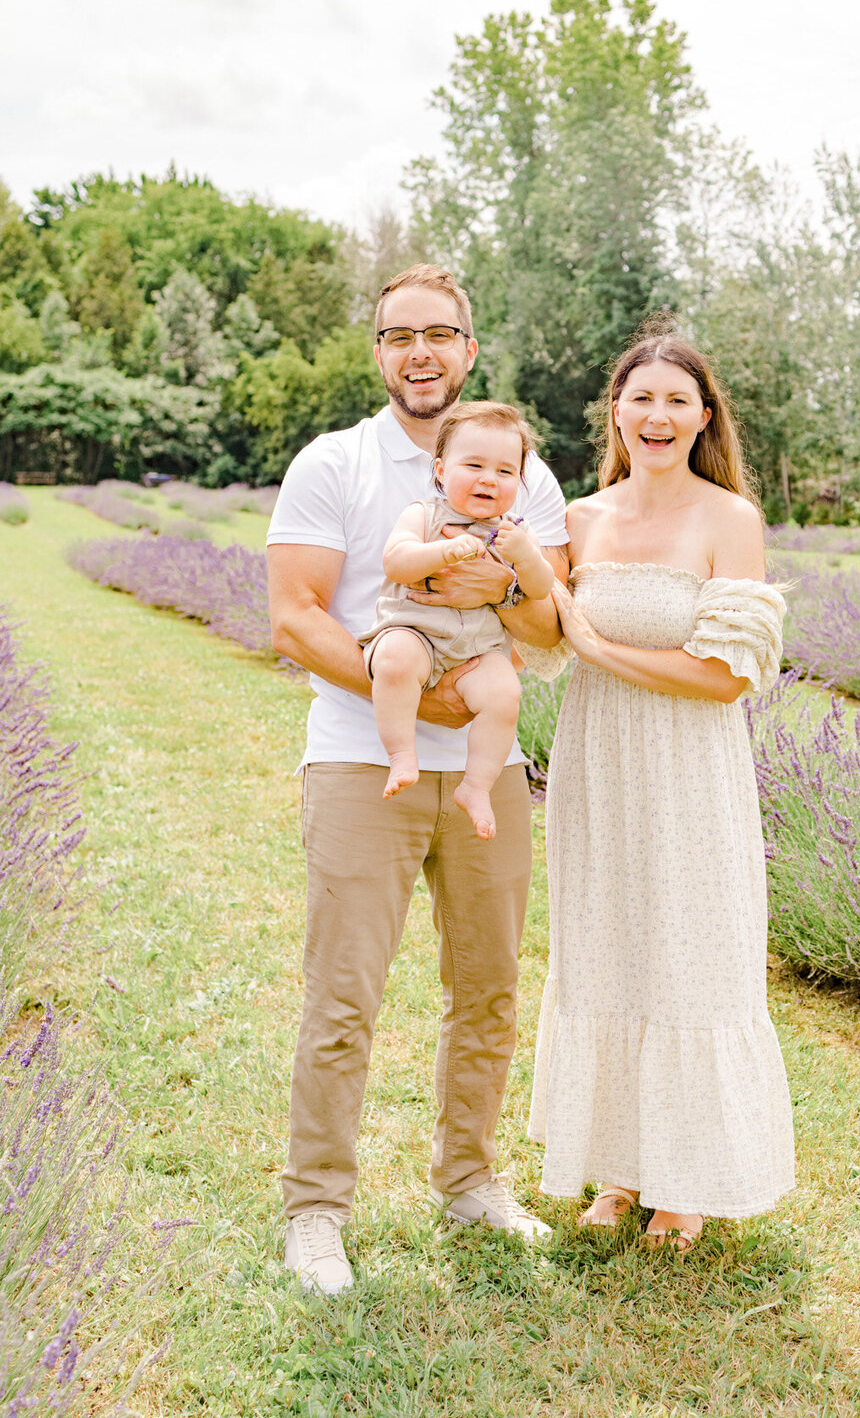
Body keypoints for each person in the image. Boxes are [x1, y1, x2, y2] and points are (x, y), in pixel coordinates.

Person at [267, 265, 568, 1296]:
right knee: (343, 997)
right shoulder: (335, 463)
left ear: (469, 348)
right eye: (400, 336)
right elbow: (296, 615)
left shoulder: (522, 469)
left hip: (490, 769)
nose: (421, 352)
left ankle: (471, 1182)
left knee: (487, 991)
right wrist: (421, 699)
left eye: (440, 333)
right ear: (379, 352)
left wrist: (509, 582)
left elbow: (552, 632)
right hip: (363, 761)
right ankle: (317, 1212)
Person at [522, 332, 795, 1253]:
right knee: (609, 948)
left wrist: (597, 648)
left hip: (689, 770)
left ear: (704, 416)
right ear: (616, 412)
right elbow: (531, 630)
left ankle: (686, 1183)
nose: (658, 416)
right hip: (598, 764)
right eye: (641, 398)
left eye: (678, 400)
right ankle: (620, 1168)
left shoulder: (730, 519)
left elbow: (725, 676)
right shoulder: (583, 520)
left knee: (690, 955)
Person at [362, 401, 555, 835]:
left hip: (478, 651)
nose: (490, 478)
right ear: (441, 471)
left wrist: (525, 557)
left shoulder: (515, 532)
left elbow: (541, 590)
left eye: (506, 472)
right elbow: (396, 562)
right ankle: (401, 755)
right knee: (394, 661)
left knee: (505, 693)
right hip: (415, 634)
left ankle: (476, 786)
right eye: (474, 465)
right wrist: (442, 552)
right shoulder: (424, 514)